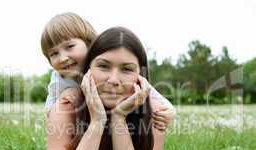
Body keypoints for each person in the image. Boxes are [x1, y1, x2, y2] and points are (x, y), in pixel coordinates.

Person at [45, 26, 176, 150]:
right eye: (103, 66)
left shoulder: (156, 114)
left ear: (141, 77)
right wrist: (97, 121)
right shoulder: (66, 108)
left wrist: (119, 118)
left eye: (127, 69)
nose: (113, 80)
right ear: (87, 69)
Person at [41, 12, 175, 132]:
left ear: (89, 43)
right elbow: (51, 101)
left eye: (70, 46)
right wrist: (53, 112)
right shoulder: (59, 78)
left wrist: (169, 109)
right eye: (54, 54)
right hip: (87, 124)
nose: (63, 58)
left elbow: (146, 88)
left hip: (121, 122)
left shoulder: (105, 68)